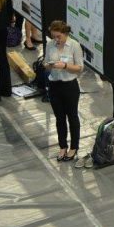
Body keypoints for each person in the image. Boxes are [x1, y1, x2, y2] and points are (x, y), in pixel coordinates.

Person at [45, 20, 83, 162]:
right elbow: (46, 61)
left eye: (58, 37)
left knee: (72, 117)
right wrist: (48, 65)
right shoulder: (50, 44)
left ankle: (74, 147)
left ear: (65, 34)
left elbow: (79, 68)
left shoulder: (74, 46)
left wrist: (65, 66)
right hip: (54, 85)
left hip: (70, 86)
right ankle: (62, 146)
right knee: (59, 117)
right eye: (54, 36)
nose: (56, 39)